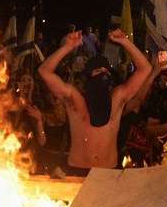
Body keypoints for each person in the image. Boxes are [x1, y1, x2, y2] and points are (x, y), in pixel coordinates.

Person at [38, 29, 150, 173]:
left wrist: (124, 41)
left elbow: (145, 69)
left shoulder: (117, 97)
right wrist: (67, 47)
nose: (103, 74)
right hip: (78, 170)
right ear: (89, 77)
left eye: (106, 71)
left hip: (108, 172)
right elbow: (44, 71)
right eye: (98, 71)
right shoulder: (75, 99)